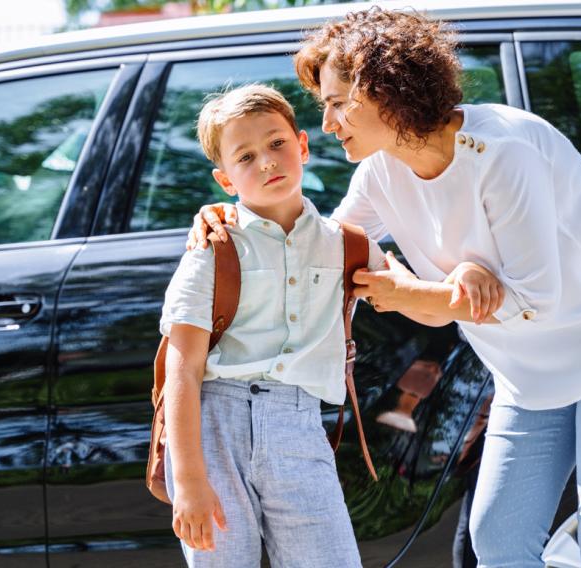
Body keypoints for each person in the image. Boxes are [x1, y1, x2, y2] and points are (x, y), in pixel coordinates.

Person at [189, 8, 581, 567]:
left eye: (337, 103)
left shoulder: (504, 152)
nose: (328, 124)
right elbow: (316, 245)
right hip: (532, 370)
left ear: (387, 90)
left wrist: (414, 292)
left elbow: (533, 300)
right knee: (500, 539)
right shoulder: (380, 174)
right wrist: (231, 214)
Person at [161, 83, 396, 568]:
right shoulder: (214, 247)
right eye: (245, 157)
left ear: (303, 145)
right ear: (225, 180)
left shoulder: (346, 244)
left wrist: (468, 277)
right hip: (216, 425)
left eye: (276, 144)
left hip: (300, 424)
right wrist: (187, 480)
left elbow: (412, 294)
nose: (267, 162)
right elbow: (182, 369)